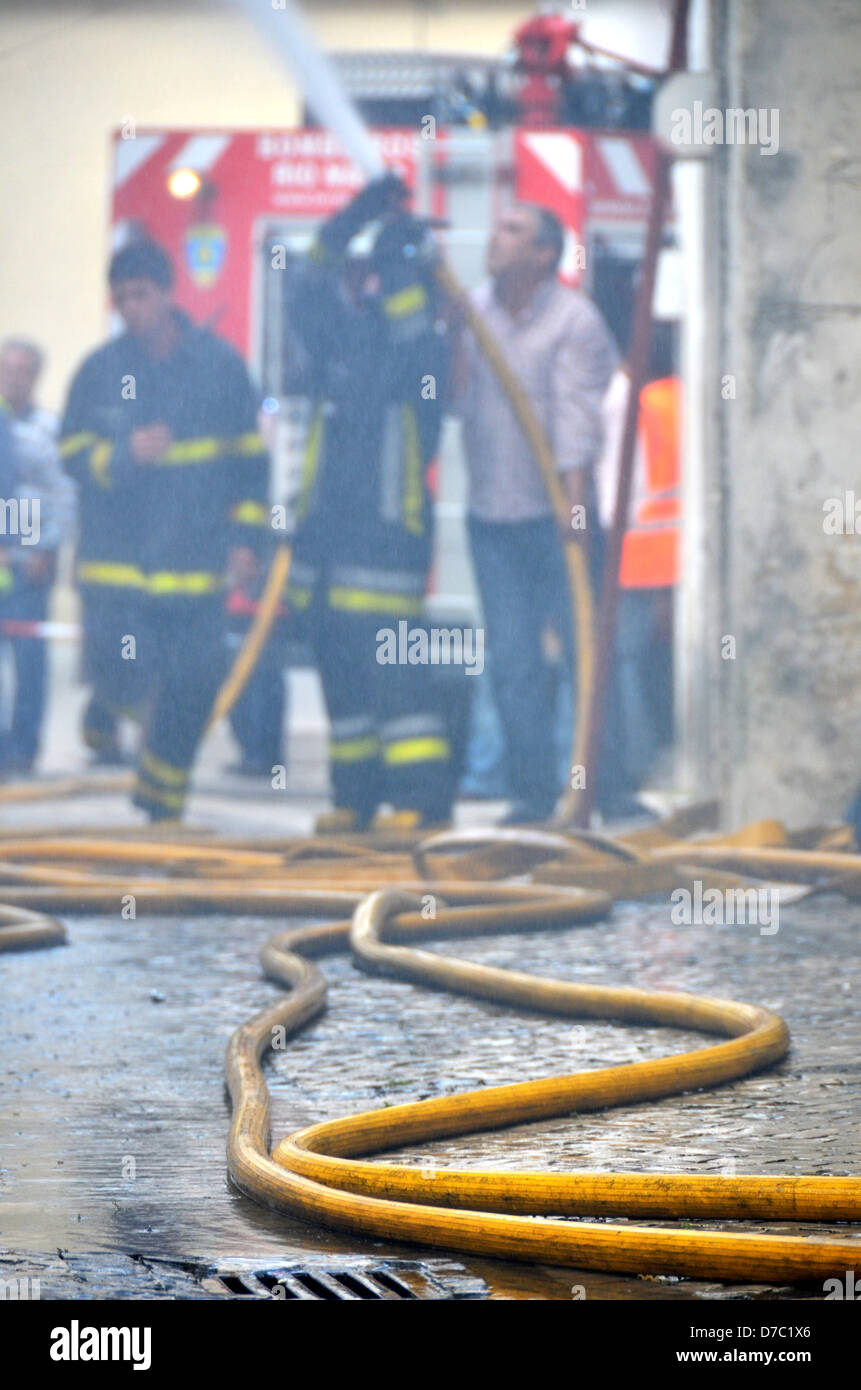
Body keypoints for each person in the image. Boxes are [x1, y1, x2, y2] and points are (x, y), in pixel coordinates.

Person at [60, 240, 270, 820]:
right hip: (117, 577)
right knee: (126, 671)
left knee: (197, 679)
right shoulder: (99, 371)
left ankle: (162, 803)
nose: (131, 307)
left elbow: (251, 465)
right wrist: (123, 455)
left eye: (141, 294)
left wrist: (248, 541)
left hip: (194, 569)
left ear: (168, 292)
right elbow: (72, 453)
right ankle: (110, 714)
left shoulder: (222, 368)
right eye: (121, 297)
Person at [286, 174, 455, 833]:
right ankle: (352, 799)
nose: (369, 287)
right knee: (343, 686)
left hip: (385, 545)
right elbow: (304, 287)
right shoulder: (345, 345)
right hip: (326, 551)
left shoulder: (421, 357)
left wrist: (395, 253)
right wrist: (349, 218)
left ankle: (421, 801)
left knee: (398, 685)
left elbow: (412, 325)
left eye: (380, 279)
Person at [455, 202, 617, 823]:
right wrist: (451, 336)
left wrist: (574, 513)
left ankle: (606, 785)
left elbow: (577, 422)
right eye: (497, 225)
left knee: (584, 653)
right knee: (513, 660)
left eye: (512, 230)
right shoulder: (474, 312)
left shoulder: (573, 321)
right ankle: (530, 792)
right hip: (491, 516)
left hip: (556, 518)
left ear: (544, 254)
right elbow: (453, 403)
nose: (495, 237)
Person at [595, 322, 681, 813]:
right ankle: (637, 758)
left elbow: (616, 485)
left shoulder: (629, 399)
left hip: (630, 545)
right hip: (650, 546)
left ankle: (633, 759)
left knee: (622, 659)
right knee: (628, 659)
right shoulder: (654, 398)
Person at [0, 340, 75, 772]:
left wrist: (46, 546)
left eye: (22, 370)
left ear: (35, 376)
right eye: (6, 368)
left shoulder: (49, 429)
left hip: (29, 555)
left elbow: (63, 492)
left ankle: (23, 747)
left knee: (29, 658)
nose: (13, 377)